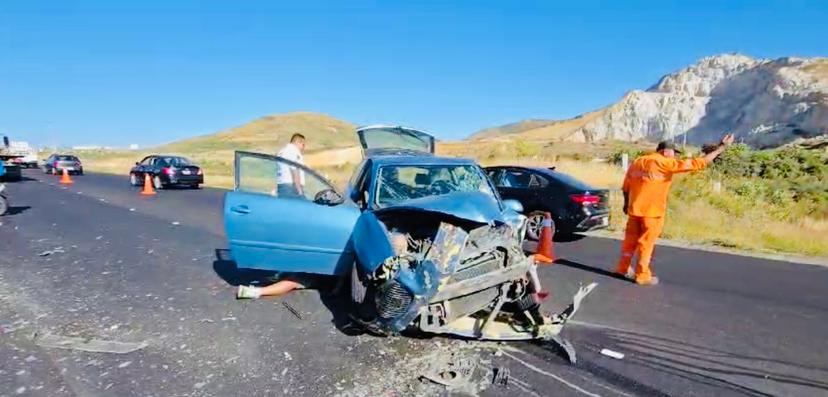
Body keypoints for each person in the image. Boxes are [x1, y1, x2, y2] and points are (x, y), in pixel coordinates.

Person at [616, 133, 736, 286]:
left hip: (634, 210)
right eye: (674, 154)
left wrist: (626, 205)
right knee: (647, 243)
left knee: (630, 241)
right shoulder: (665, 163)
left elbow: (625, 187)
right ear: (666, 152)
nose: (675, 157)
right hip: (653, 212)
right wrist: (721, 149)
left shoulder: (638, 162)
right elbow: (698, 163)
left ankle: (622, 268)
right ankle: (642, 275)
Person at [275, 133, 306, 198]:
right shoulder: (293, 151)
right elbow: (294, 169)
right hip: (291, 187)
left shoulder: (282, 151)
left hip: (282, 186)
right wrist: (299, 190)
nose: (304, 147)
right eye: (303, 144)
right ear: (298, 142)